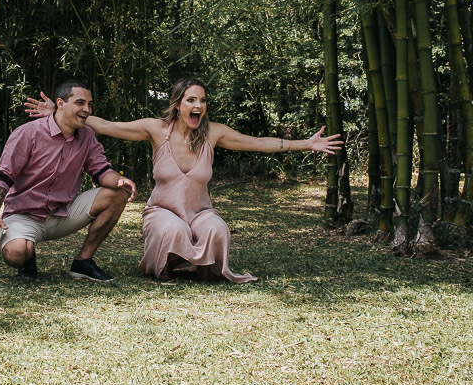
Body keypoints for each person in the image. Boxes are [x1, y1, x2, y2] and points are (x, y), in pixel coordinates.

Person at [26, 77, 342, 282]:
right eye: (191, 100)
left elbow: (259, 143)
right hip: (162, 211)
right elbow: (107, 125)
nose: (199, 106)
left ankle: (196, 263)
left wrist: (307, 143)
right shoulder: (155, 129)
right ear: (178, 105)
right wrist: (61, 111)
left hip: (200, 212)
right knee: (173, 231)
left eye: (202, 100)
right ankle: (177, 263)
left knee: (216, 229)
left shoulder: (214, 132)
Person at [0, 79, 137, 282]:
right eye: (80, 103)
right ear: (60, 103)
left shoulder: (87, 136)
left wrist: (120, 180)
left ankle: (83, 262)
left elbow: (101, 171)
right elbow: (3, 175)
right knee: (16, 254)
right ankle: (27, 254)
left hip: (63, 212)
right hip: (24, 214)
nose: (87, 109)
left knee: (117, 194)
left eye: (90, 104)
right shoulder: (28, 133)